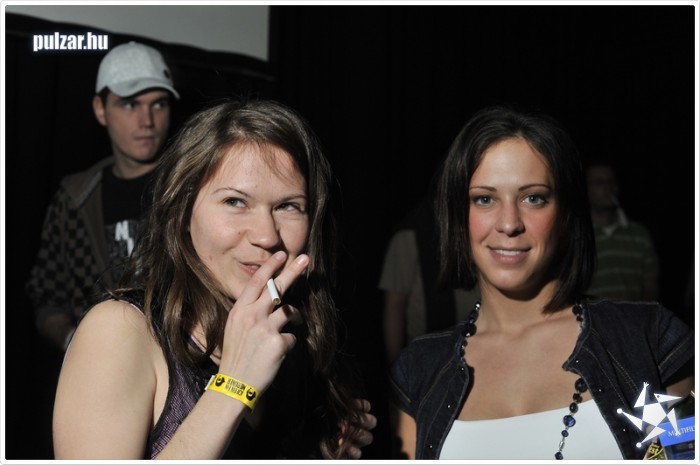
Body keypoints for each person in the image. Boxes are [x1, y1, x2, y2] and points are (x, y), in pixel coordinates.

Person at [52, 99, 376, 459]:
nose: (267, 235)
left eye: (288, 206)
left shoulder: (294, 345)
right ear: (182, 210)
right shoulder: (120, 331)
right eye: (235, 202)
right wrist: (235, 385)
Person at [389, 105, 694, 460]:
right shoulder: (419, 371)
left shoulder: (647, 340)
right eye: (484, 199)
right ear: (458, 215)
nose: (509, 223)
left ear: (565, 215)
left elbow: (684, 453)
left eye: (533, 198)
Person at [26, 41, 178, 351]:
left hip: (181, 364)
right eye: (130, 104)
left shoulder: (189, 188)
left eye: (158, 104)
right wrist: (76, 342)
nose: (147, 121)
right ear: (100, 109)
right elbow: (47, 296)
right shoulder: (75, 198)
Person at [379, 196, 480, 363]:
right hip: (424, 359)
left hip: (478, 353)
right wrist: (395, 366)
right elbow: (394, 305)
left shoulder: (480, 230)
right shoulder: (408, 236)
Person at [585, 161, 659, 301]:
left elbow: (651, 287)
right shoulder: (577, 237)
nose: (608, 187)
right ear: (586, 190)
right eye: (599, 183)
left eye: (611, 181)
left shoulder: (640, 235)